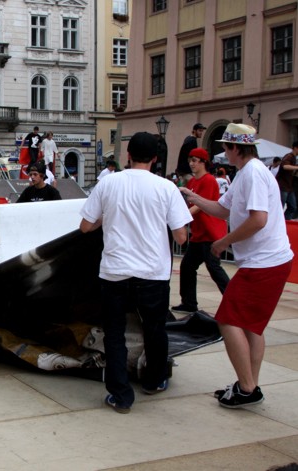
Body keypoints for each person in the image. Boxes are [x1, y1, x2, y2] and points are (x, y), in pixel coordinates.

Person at [180, 123, 293, 409]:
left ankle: (246, 387)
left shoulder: (253, 174)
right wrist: (194, 198)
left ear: (235, 147)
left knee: (228, 320)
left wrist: (222, 243)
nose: (223, 152)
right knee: (252, 328)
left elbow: (258, 220)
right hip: (268, 261)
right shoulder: (247, 173)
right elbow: (223, 208)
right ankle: (249, 386)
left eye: (225, 147)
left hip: (263, 263)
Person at [79, 131, 192, 414]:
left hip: (115, 271)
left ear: (127, 155)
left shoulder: (108, 183)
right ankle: (154, 381)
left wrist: (110, 215)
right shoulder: (166, 188)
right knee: (155, 329)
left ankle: (120, 395)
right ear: (155, 159)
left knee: (114, 333)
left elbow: (85, 226)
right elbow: (181, 237)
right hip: (152, 272)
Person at [172, 148, 230, 315]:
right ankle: (189, 303)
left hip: (210, 233)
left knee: (214, 268)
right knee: (188, 266)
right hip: (199, 234)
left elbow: (199, 205)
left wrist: (181, 217)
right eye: (191, 160)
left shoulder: (209, 180)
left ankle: (233, 300)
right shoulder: (192, 183)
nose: (192, 163)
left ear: (204, 162)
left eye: (195, 160)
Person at [276, 140, 298, 220]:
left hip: (289, 187)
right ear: (295, 148)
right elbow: (285, 166)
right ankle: (278, 221)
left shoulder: (294, 157)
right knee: (280, 207)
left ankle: (285, 221)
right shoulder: (289, 156)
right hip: (283, 186)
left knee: (293, 206)